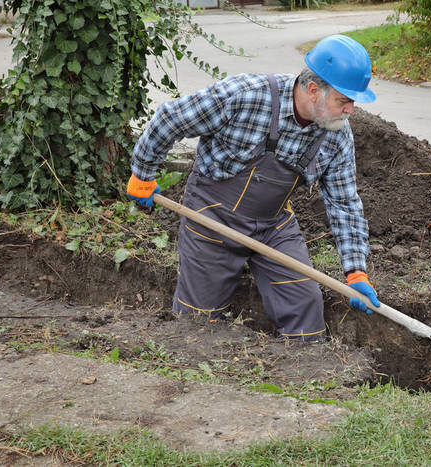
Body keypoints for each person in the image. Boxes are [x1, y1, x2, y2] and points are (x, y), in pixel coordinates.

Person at [126, 34, 381, 341]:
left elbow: (344, 203)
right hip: (212, 217)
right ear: (313, 90)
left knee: (306, 308)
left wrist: (356, 271)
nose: (350, 110)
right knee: (196, 325)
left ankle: (305, 380)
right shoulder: (245, 96)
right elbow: (171, 119)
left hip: (272, 224)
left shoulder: (337, 135)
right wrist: (143, 172)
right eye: (344, 100)